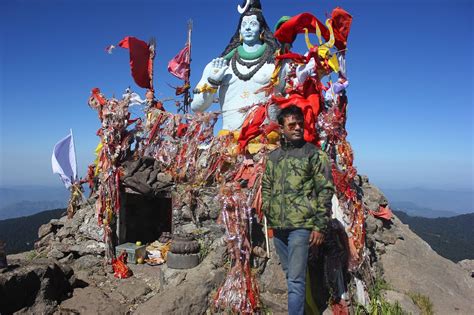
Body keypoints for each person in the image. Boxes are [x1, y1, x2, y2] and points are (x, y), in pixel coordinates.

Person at [261, 105, 334, 315]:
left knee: (295, 280)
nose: (297, 128)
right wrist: (268, 210)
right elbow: (266, 185)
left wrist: (319, 226)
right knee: (290, 275)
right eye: (291, 125)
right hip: (279, 227)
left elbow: (325, 190)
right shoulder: (274, 157)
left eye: (300, 124)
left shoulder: (313, 154)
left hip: (301, 227)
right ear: (281, 129)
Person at [191, 0, 279, 131]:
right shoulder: (217, 65)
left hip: (268, 140)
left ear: (261, 30)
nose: (248, 28)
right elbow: (197, 107)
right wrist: (213, 81)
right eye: (244, 25)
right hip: (229, 140)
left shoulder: (277, 62)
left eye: (253, 24)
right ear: (240, 31)